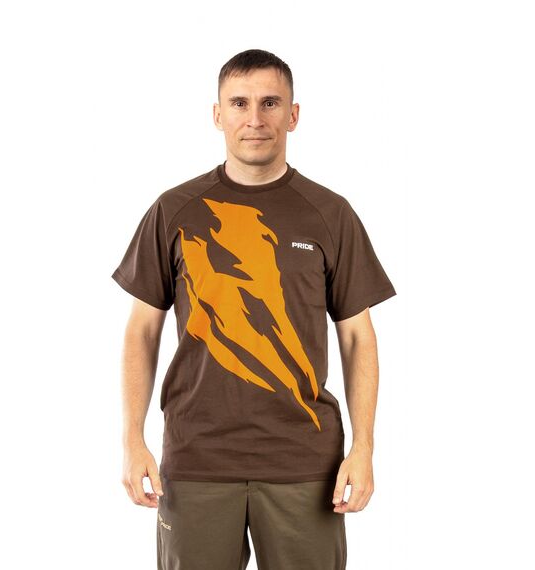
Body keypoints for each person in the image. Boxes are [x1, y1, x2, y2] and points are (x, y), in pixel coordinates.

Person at [111, 48, 397, 570]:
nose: (255, 119)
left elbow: (358, 336)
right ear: (217, 114)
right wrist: (132, 440)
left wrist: (364, 449)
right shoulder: (174, 210)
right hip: (196, 459)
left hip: (304, 462)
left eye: (270, 103)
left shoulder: (330, 213)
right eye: (239, 103)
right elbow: (142, 331)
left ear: (293, 114)